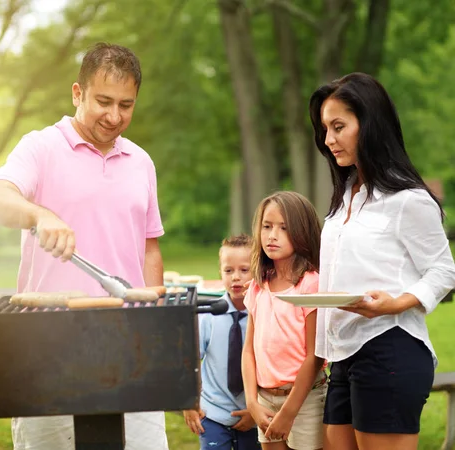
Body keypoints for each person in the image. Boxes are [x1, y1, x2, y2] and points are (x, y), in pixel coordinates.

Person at [0, 42, 168, 450]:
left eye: (126, 104)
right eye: (103, 101)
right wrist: (39, 215)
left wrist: (156, 323)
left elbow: (149, 247)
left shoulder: (141, 161)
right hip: (48, 344)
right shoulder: (41, 147)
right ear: (77, 93)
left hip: (129, 344)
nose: (114, 116)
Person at [308, 72, 455, 450]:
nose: (328, 139)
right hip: (342, 356)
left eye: (338, 126)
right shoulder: (344, 199)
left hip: (390, 346)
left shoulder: (408, 199)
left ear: (369, 124)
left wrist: (397, 303)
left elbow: (444, 270)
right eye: (325, 128)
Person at [242, 191, 327, 450]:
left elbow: (315, 356)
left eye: (283, 228)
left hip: (305, 400)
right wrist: (252, 402)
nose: (272, 235)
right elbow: (248, 351)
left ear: (301, 232)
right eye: (266, 226)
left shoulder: (311, 284)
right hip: (265, 399)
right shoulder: (258, 286)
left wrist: (288, 413)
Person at [182, 234, 261, 450]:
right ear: (220, 273)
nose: (236, 277)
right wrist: (188, 402)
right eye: (228, 270)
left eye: (244, 270)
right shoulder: (208, 315)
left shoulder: (265, 316)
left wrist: (257, 410)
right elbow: (189, 362)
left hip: (254, 414)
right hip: (213, 413)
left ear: (259, 270)